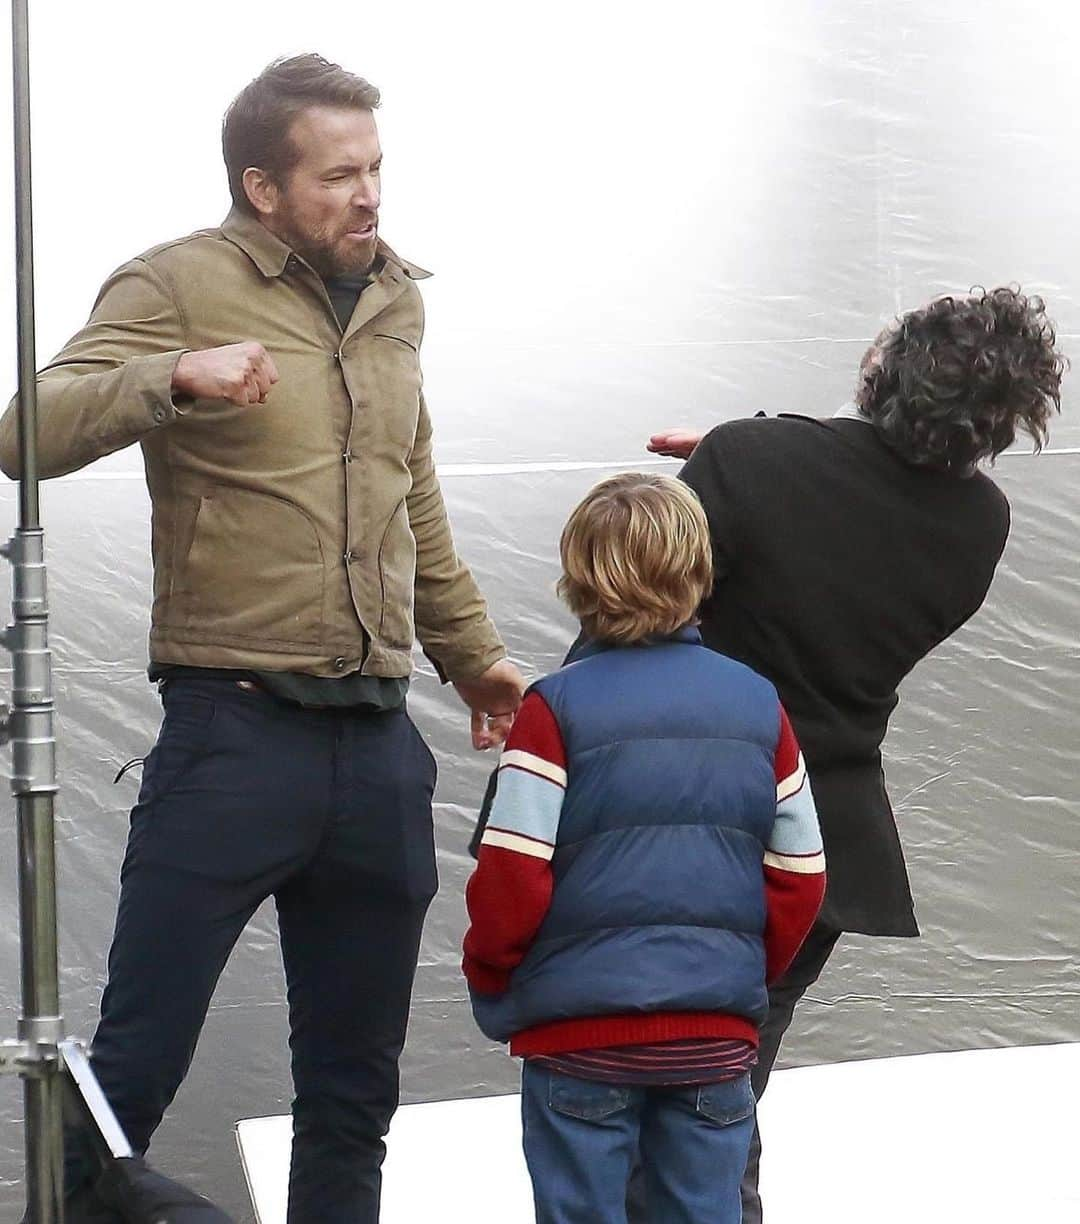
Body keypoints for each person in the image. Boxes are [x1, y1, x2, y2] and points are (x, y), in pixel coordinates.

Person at [0, 53, 524, 1224]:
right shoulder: (176, 282)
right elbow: (23, 430)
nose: (373, 196)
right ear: (263, 186)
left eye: (378, 169)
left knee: (353, 1100)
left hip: (380, 749)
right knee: (123, 1081)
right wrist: (170, 375)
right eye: (341, 176)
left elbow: (412, 489)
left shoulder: (397, 298)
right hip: (231, 736)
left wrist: (472, 652)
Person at [645, 286, 1066, 1221]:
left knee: (652, 1105)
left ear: (888, 367)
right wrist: (743, 462)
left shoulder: (752, 458)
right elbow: (844, 515)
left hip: (689, 816)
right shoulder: (979, 525)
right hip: (823, 844)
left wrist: (726, 467)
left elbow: (641, 610)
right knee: (725, 1094)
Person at [461, 473, 826, 1224]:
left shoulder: (552, 708)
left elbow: (512, 878)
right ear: (699, 573)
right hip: (713, 1036)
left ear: (578, 578)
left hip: (578, 1040)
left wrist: (491, 974)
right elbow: (803, 875)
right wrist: (737, 970)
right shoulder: (758, 703)